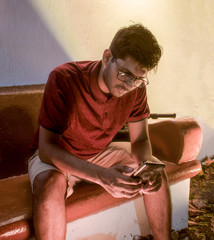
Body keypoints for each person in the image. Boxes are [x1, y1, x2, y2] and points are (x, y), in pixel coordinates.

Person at [28, 23, 171, 240]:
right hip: (57, 155)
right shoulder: (64, 79)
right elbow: (47, 149)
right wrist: (101, 177)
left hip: (97, 154)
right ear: (107, 57)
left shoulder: (136, 90)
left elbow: (140, 140)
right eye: (124, 74)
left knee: (154, 171)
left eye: (138, 79)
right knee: (49, 185)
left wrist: (145, 167)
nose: (129, 85)